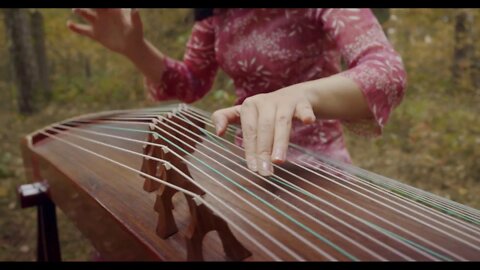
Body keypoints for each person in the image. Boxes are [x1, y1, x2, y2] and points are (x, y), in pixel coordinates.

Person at [67, 8, 407, 176]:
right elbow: (190, 82)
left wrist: (297, 96)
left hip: (317, 169)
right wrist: (135, 49)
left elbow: (385, 71)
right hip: (244, 165)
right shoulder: (217, 17)